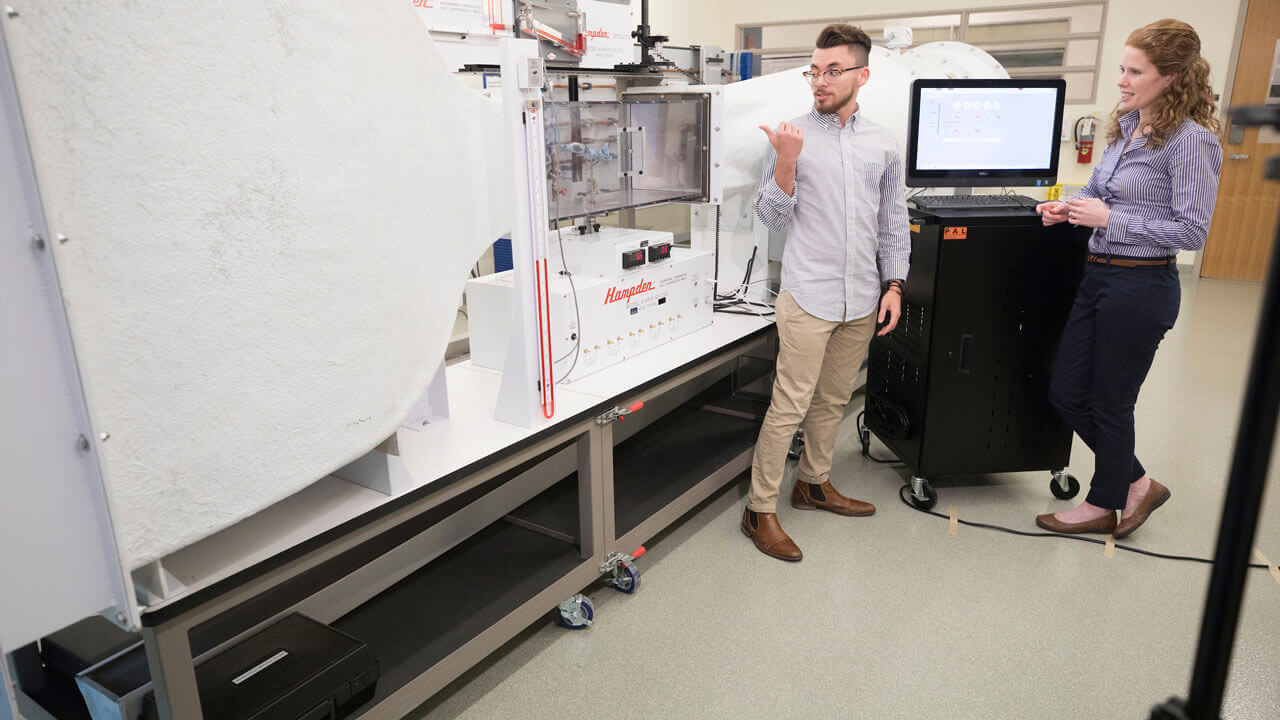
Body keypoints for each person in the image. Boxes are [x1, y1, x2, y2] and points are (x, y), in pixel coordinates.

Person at [1034, 19, 1221, 537]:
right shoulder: (1128, 125)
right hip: (1098, 277)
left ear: (1172, 77)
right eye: (1121, 68)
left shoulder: (1192, 142)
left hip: (1142, 285)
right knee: (1067, 391)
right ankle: (1138, 484)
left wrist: (1109, 219)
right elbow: (1099, 190)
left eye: (1134, 72)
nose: (1121, 79)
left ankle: (1103, 503)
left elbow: (1192, 230)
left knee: (1110, 402)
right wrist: (1070, 208)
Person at [741, 23, 910, 561]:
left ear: (863, 75)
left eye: (834, 70)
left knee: (834, 400)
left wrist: (894, 285)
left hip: (860, 297)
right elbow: (771, 218)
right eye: (814, 70)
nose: (821, 80)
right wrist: (787, 161)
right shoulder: (789, 136)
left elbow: (892, 222)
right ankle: (758, 509)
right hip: (808, 296)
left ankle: (812, 485)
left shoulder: (882, 141)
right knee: (789, 405)